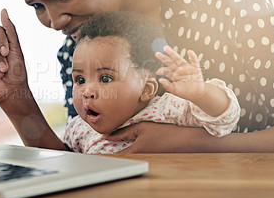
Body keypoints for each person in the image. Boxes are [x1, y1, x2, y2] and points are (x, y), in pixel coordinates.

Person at [0, 0, 274, 152]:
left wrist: (196, 143)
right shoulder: (77, 52)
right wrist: (15, 101)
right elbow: (83, 159)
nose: (53, 21)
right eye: (37, 6)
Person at [64, 11, 240, 154]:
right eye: (80, 80)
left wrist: (201, 93)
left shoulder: (166, 111)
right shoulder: (78, 130)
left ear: (146, 89)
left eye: (105, 78)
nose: (87, 91)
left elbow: (225, 119)